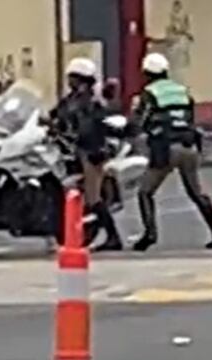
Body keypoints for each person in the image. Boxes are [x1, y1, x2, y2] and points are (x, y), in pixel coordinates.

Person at [129, 53, 212, 251]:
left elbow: (140, 121)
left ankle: (150, 234)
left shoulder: (149, 93)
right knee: (197, 193)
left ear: (146, 74)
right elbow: (189, 117)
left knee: (145, 191)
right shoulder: (181, 91)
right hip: (189, 147)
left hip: (166, 148)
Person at [48, 57, 124, 252]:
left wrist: (73, 132)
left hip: (90, 151)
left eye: (73, 77)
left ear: (82, 79)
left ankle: (113, 237)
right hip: (67, 149)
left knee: (93, 197)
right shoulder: (71, 99)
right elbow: (54, 114)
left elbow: (89, 127)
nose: (69, 81)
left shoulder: (92, 101)